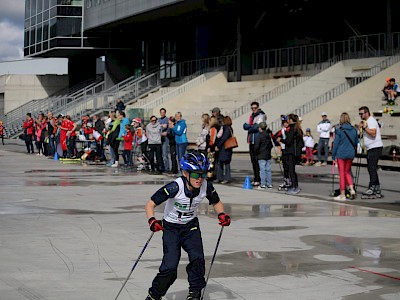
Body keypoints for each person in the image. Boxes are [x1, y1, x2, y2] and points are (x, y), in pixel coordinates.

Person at [144, 151, 231, 300]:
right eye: (196, 175)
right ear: (185, 173)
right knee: (170, 268)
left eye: (203, 174)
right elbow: (150, 204)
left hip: (190, 227)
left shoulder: (206, 187)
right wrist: (152, 220)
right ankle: (154, 294)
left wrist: (221, 214)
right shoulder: (174, 187)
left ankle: (195, 293)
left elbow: (216, 202)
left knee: (197, 260)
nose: (200, 179)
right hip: (171, 228)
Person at [331, 112, 359, 201]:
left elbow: (335, 143)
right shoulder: (354, 130)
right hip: (350, 154)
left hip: (341, 153)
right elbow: (355, 142)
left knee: (342, 174)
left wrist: (333, 155)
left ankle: (342, 194)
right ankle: (352, 189)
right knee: (347, 172)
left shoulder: (339, 130)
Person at [358, 106, 383, 198]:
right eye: (359, 114)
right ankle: (376, 187)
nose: (360, 115)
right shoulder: (367, 122)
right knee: (371, 167)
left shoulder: (371, 120)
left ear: (367, 113)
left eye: (361, 113)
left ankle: (372, 187)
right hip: (371, 147)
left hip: (375, 147)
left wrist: (365, 128)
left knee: (371, 168)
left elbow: (373, 133)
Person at [243, 101, 267, 186]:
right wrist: (250, 127)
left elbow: (256, 127)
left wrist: (249, 127)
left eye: (255, 108)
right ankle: (256, 178)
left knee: (258, 161)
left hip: (257, 140)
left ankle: (260, 179)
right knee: (253, 161)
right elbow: (246, 126)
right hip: (252, 140)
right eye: (252, 108)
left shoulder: (261, 115)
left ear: (258, 107)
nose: (253, 109)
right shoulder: (252, 116)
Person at [279, 114, 304, 194]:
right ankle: (294, 185)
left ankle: (294, 186)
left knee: (291, 170)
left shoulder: (293, 129)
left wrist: (281, 140)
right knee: (291, 169)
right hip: (294, 152)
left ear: (290, 120)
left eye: (288, 119)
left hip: (291, 152)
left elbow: (288, 141)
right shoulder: (297, 129)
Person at [254, 121, 273, 190]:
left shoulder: (260, 136)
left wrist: (256, 153)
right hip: (267, 154)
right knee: (268, 170)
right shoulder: (268, 136)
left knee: (262, 170)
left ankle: (263, 184)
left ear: (260, 128)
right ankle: (269, 184)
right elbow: (271, 145)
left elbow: (256, 146)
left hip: (261, 155)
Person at [215, 115, 234, 184]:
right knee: (222, 163)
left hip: (225, 148)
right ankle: (220, 177)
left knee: (225, 163)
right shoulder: (229, 128)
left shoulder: (226, 128)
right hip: (226, 148)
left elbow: (224, 138)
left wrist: (218, 145)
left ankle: (225, 178)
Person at [159, 108, 170, 172]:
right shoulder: (158, 119)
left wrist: (161, 126)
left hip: (165, 138)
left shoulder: (166, 119)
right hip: (159, 138)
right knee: (160, 154)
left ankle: (167, 167)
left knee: (165, 154)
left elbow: (165, 127)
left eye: (163, 112)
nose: (162, 113)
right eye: (161, 112)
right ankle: (162, 167)